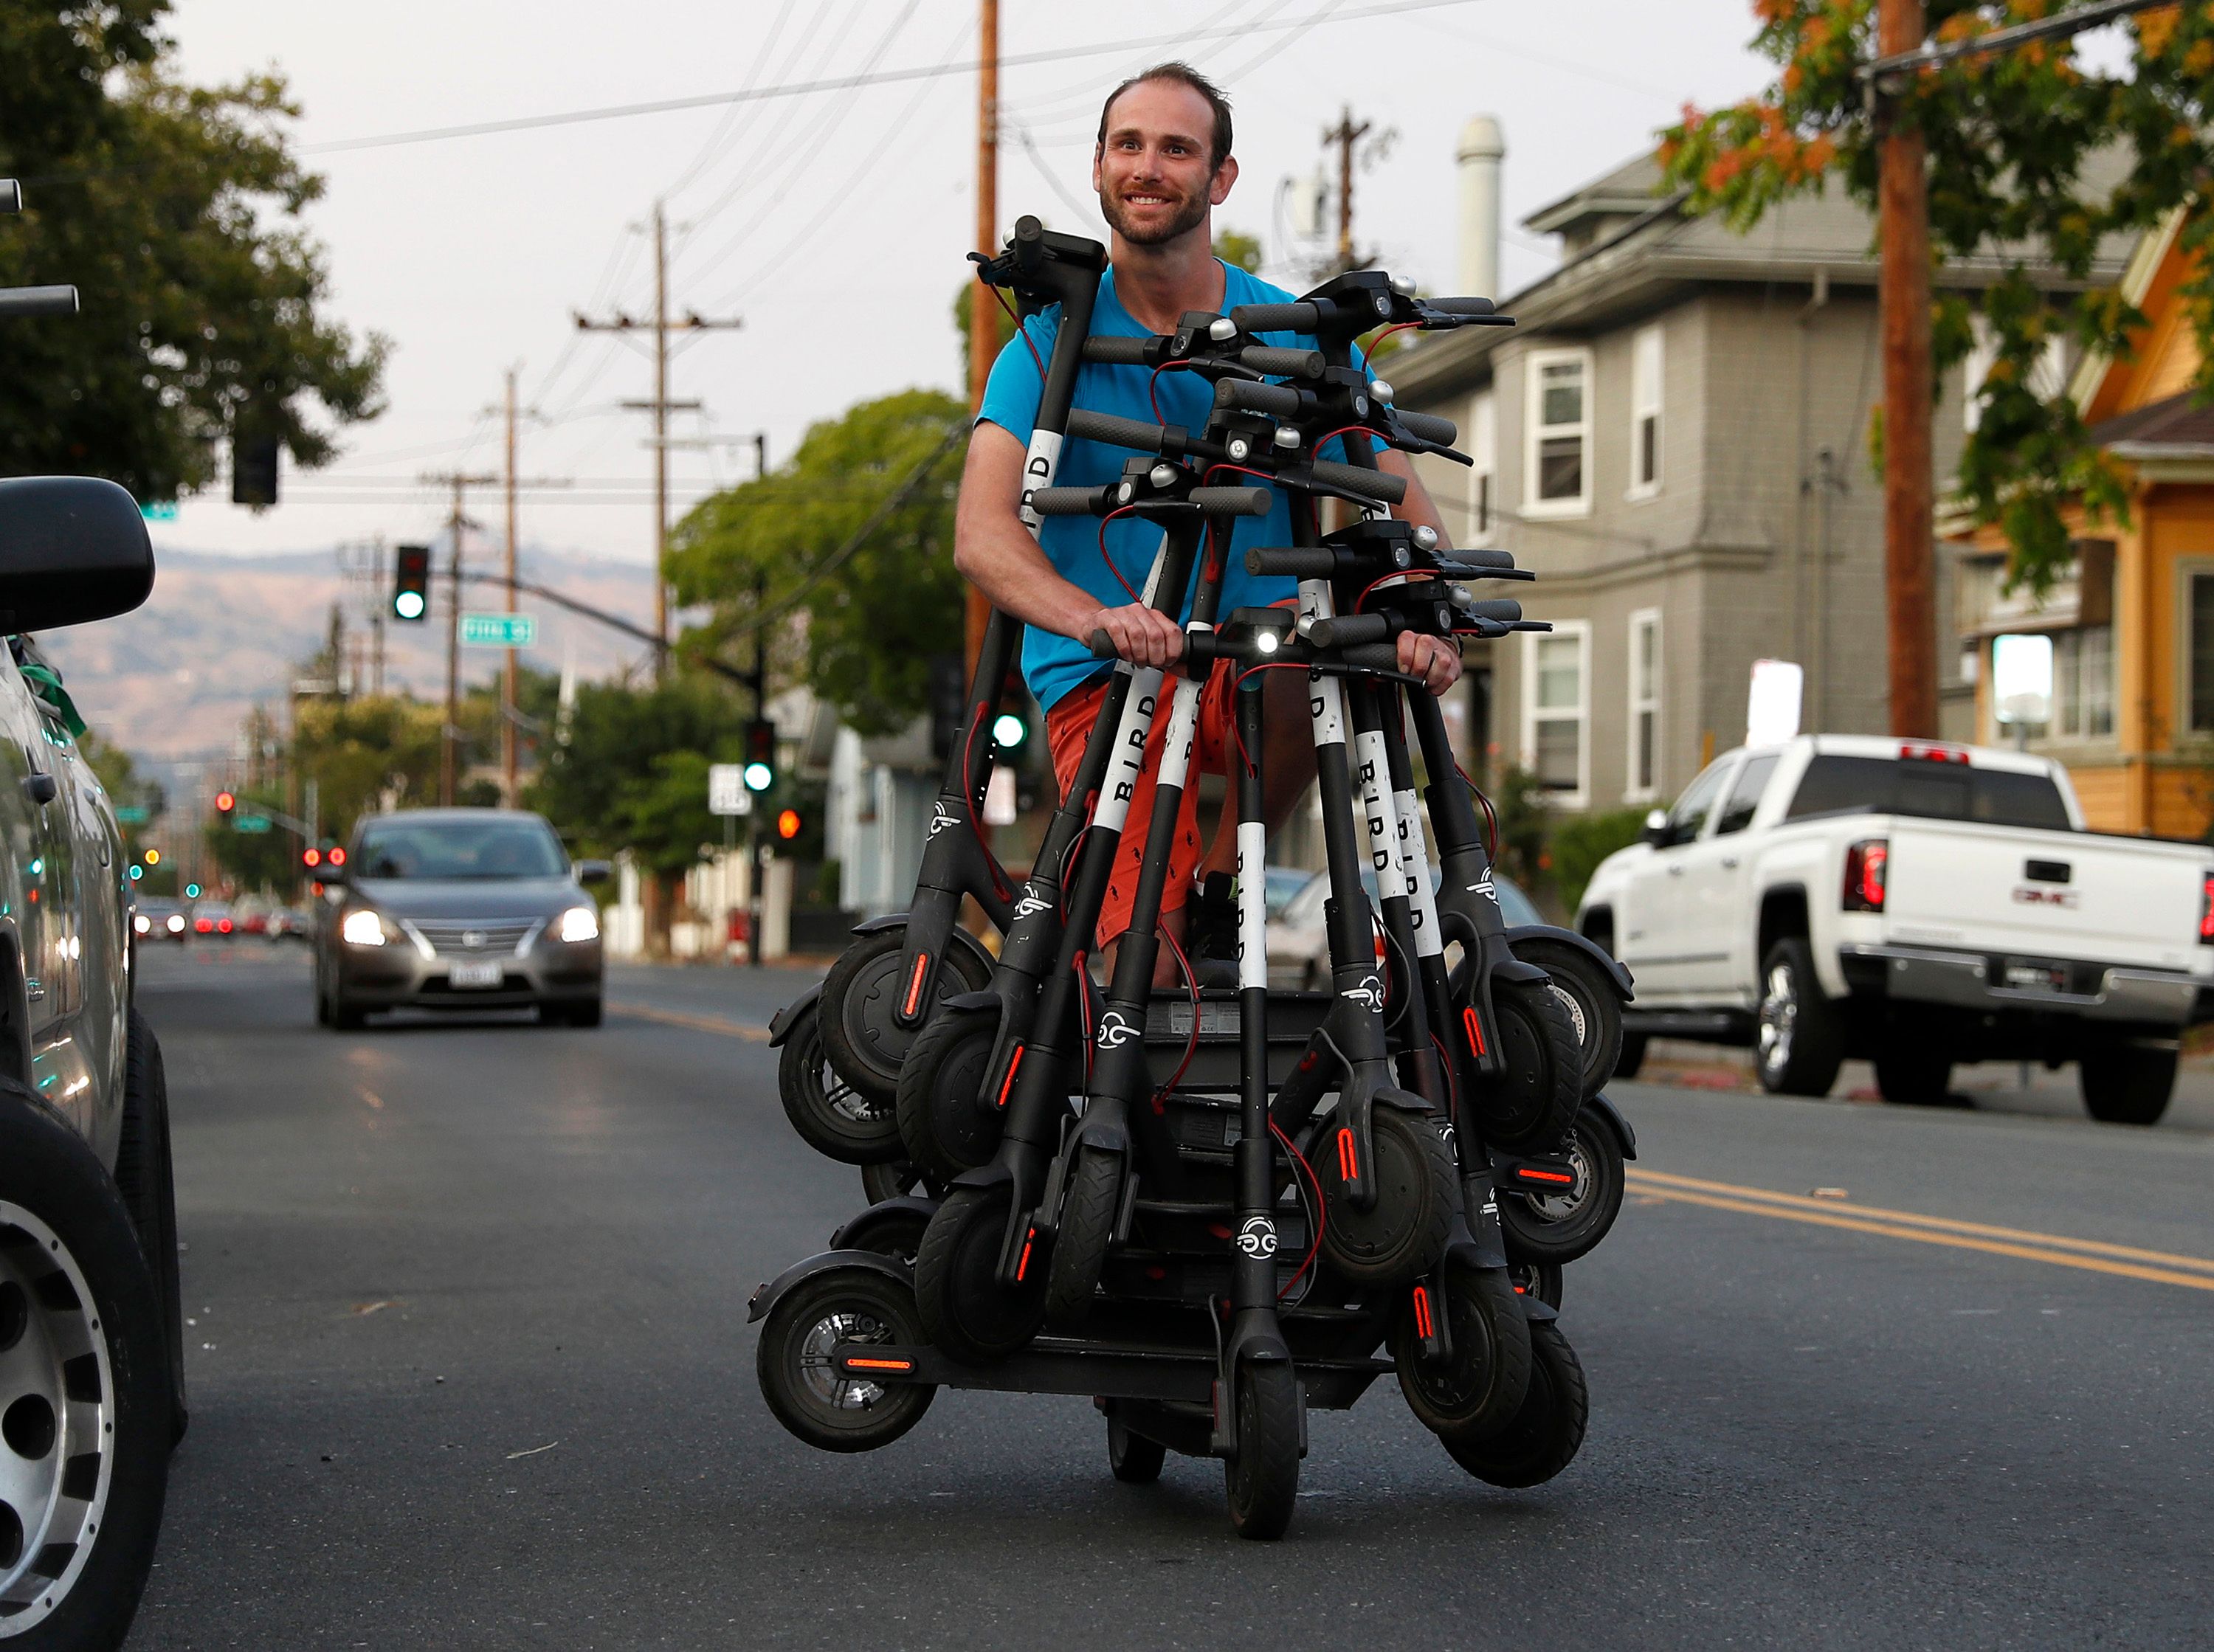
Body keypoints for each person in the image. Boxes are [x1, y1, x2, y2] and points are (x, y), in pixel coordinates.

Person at [954, 61, 1460, 981]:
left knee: (1327, 661)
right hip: (1108, 676)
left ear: (1220, 178)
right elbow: (981, 534)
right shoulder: (1045, 343)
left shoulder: (1291, 334)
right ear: (1100, 168)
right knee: (1146, 968)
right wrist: (1094, 618)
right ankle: (1157, 959)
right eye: (1130, 145)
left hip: (1248, 661)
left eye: (1177, 148)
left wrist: (1425, 613)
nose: (1150, 167)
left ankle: (1225, 878)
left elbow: (1403, 501)